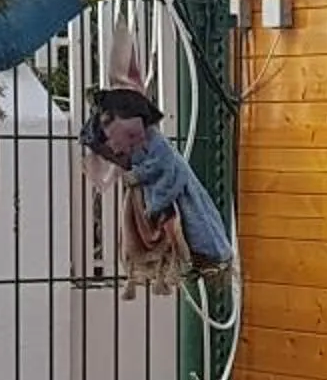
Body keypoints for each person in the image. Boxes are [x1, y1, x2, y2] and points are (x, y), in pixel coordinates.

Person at [81, 84, 233, 290]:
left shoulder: (155, 146)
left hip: (175, 196)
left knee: (193, 226)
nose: (115, 156)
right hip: (157, 195)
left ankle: (208, 260)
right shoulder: (133, 145)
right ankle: (183, 263)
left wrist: (153, 198)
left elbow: (170, 170)